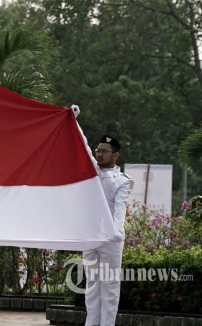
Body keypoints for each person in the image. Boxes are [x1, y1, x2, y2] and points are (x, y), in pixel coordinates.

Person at [84, 135, 134, 326]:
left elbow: (119, 210)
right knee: (92, 286)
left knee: (110, 288)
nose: (99, 154)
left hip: (112, 239)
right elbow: (83, 148)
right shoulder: (90, 172)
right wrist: (75, 121)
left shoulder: (123, 181)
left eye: (104, 151)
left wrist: (115, 234)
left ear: (115, 155)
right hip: (90, 236)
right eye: (98, 151)